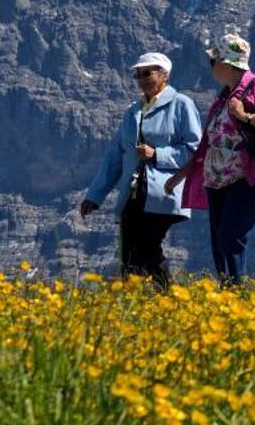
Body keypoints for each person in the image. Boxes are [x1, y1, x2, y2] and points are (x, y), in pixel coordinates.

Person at [164, 34, 255, 285]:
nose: (210, 66)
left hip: (248, 177)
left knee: (230, 236)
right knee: (219, 242)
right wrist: (181, 175)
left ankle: (236, 293)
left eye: (213, 60)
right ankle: (228, 293)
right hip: (218, 180)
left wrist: (246, 117)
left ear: (226, 63)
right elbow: (208, 144)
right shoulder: (224, 95)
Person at [79, 52, 202, 288]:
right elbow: (115, 157)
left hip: (163, 192)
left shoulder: (181, 104)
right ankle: (135, 306)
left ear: (164, 75)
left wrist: (158, 154)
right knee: (129, 253)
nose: (142, 79)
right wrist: (94, 196)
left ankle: (169, 299)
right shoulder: (132, 112)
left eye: (148, 73)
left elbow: (195, 151)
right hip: (133, 193)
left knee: (148, 246)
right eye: (138, 75)